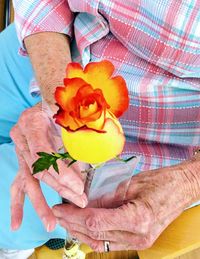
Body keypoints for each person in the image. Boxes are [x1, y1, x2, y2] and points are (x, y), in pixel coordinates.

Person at [0, 0, 200, 255]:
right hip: (47, 39)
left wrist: (190, 179)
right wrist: (54, 92)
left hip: (138, 141)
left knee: (14, 214)